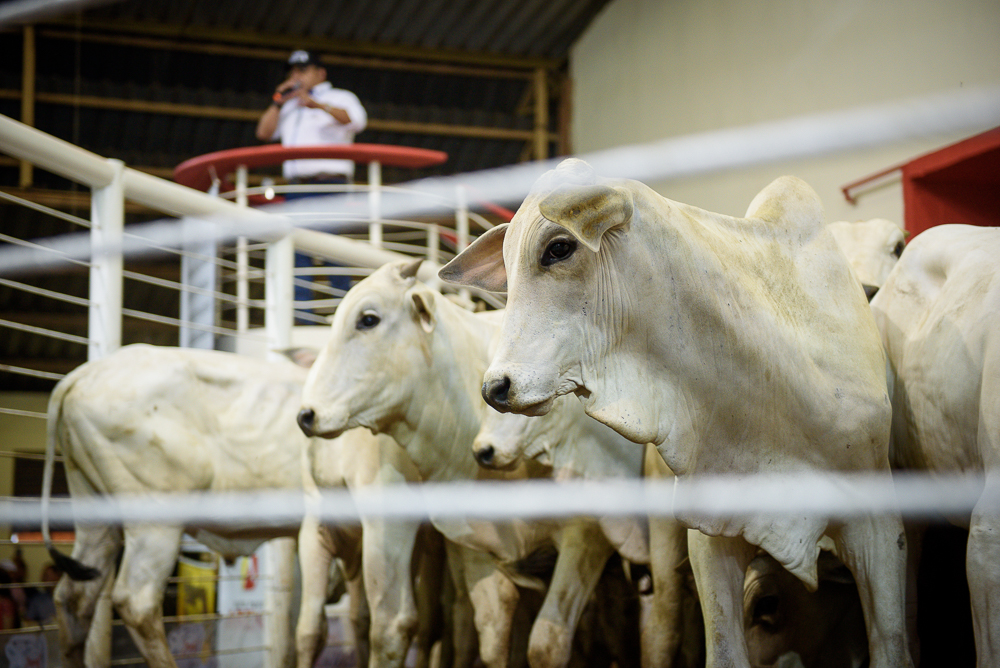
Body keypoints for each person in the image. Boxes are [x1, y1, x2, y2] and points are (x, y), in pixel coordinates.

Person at [255, 49, 368, 316]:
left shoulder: (340, 97)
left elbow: (356, 121)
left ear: (320, 73)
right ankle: (302, 316)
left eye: (302, 70)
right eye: (293, 71)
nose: (296, 76)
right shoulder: (290, 105)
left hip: (330, 184)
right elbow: (263, 132)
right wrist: (278, 101)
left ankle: (344, 312)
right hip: (296, 186)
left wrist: (317, 105)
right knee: (297, 249)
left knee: (333, 248)